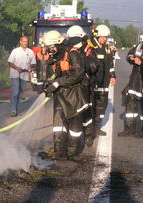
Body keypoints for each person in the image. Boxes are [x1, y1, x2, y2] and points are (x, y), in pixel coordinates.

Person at [42, 30, 89, 160]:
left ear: (58, 43)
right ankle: (60, 153)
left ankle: (72, 153)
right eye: (48, 48)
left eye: (51, 47)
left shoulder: (72, 54)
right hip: (60, 95)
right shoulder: (55, 57)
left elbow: (78, 74)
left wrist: (58, 82)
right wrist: (48, 84)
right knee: (58, 126)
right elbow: (52, 75)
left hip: (74, 95)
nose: (50, 50)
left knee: (75, 127)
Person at [91, 24, 116, 136]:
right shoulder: (91, 47)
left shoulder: (106, 48)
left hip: (104, 82)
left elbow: (110, 64)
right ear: (97, 36)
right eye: (102, 37)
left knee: (102, 105)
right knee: (92, 105)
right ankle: (89, 129)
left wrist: (113, 76)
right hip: (93, 82)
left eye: (106, 37)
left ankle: (97, 127)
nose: (104, 39)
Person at [118, 42, 143, 138]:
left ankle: (141, 131)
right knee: (130, 105)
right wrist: (131, 58)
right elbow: (129, 54)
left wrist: (141, 63)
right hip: (135, 81)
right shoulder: (139, 45)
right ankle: (129, 129)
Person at [7, 36, 36, 117]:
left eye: (26, 41)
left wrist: (32, 67)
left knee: (21, 90)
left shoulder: (30, 52)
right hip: (15, 73)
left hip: (25, 74)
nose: (25, 43)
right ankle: (13, 110)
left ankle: (15, 100)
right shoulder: (15, 51)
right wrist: (16, 68)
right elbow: (9, 62)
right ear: (20, 42)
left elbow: (33, 63)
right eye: (24, 41)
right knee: (15, 91)